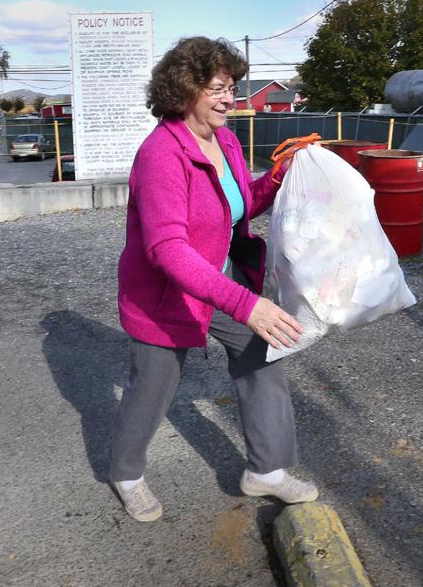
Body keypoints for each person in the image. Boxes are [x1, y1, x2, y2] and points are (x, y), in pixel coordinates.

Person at [109, 36, 316, 522]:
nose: (230, 99)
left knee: (263, 353)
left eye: (232, 88)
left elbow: (239, 204)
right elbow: (167, 249)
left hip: (217, 278)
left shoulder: (223, 140)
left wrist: (278, 179)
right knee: (154, 388)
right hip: (163, 294)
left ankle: (265, 470)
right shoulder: (161, 154)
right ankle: (126, 473)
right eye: (218, 89)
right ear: (184, 91)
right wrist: (249, 305)